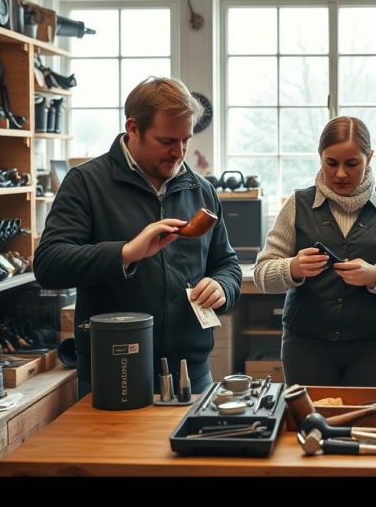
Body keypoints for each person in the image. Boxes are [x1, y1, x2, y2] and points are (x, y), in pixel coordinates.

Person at [34, 77, 242, 397]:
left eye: (186, 140)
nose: (179, 152)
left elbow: (226, 264)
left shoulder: (201, 190)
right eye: (167, 141)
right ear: (133, 129)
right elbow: (48, 264)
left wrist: (222, 286)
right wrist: (126, 253)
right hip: (115, 368)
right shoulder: (86, 183)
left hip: (193, 371)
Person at [253, 116, 376, 389]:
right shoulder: (296, 205)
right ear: (320, 157)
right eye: (331, 163)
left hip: (375, 349)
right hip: (306, 347)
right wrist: (293, 268)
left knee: (370, 428)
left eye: (352, 164)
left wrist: (375, 276)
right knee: (309, 428)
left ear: (369, 157)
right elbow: (262, 274)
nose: (341, 174)